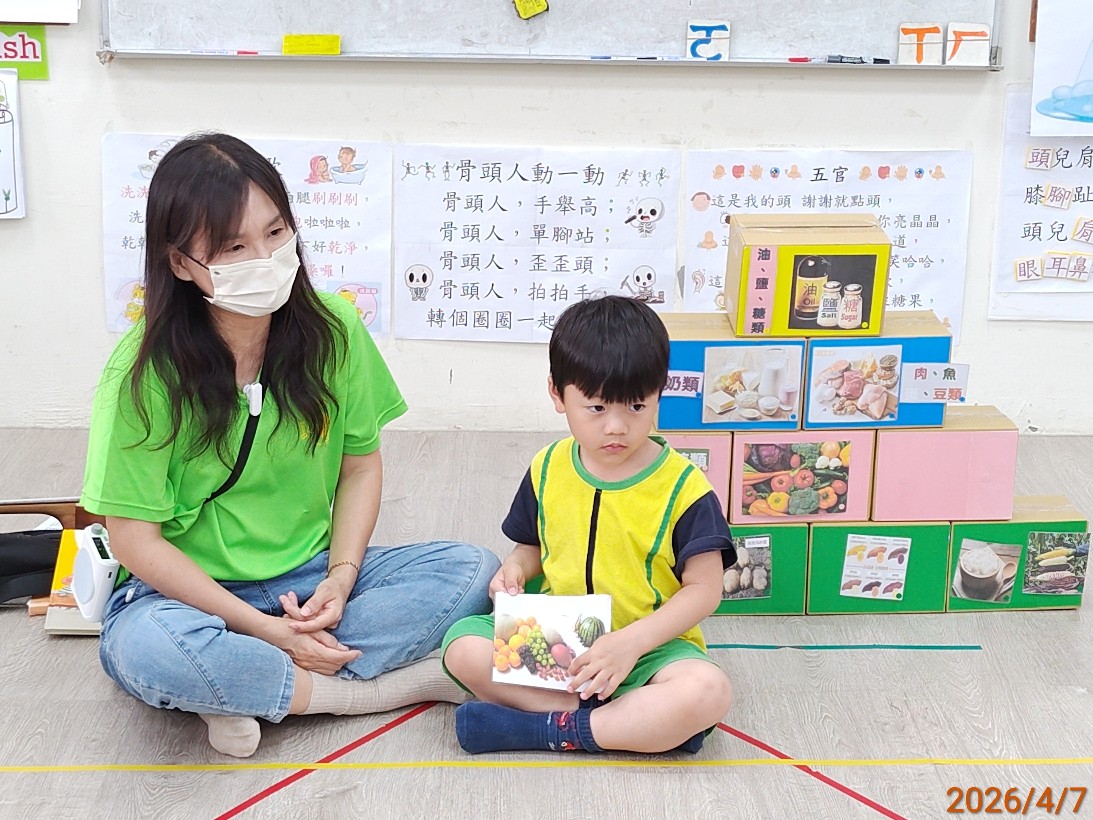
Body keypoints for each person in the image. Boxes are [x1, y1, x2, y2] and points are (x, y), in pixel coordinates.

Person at [80, 132, 499, 758]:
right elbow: (136, 541)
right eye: (234, 247)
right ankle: (370, 690)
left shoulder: (335, 329)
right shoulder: (141, 374)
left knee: (471, 570)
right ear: (180, 263)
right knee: (149, 650)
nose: (267, 256)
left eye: (276, 233)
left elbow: (360, 468)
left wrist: (341, 578)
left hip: (308, 578)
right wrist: (267, 630)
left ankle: (241, 688)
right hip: (185, 594)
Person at [442, 295, 735, 755]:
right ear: (557, 394)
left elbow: (705, 590)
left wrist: (630, 644)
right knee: (461, 646)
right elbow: (531, 547)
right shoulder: (547, 467)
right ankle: (625, 724)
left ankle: (544, 728)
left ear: (659, 393)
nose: (616, 427)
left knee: (706, 690)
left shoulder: (685, 487)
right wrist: (515, 570)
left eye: (636, 406)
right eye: (597, 408)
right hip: (560, 640)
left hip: (650, 650)